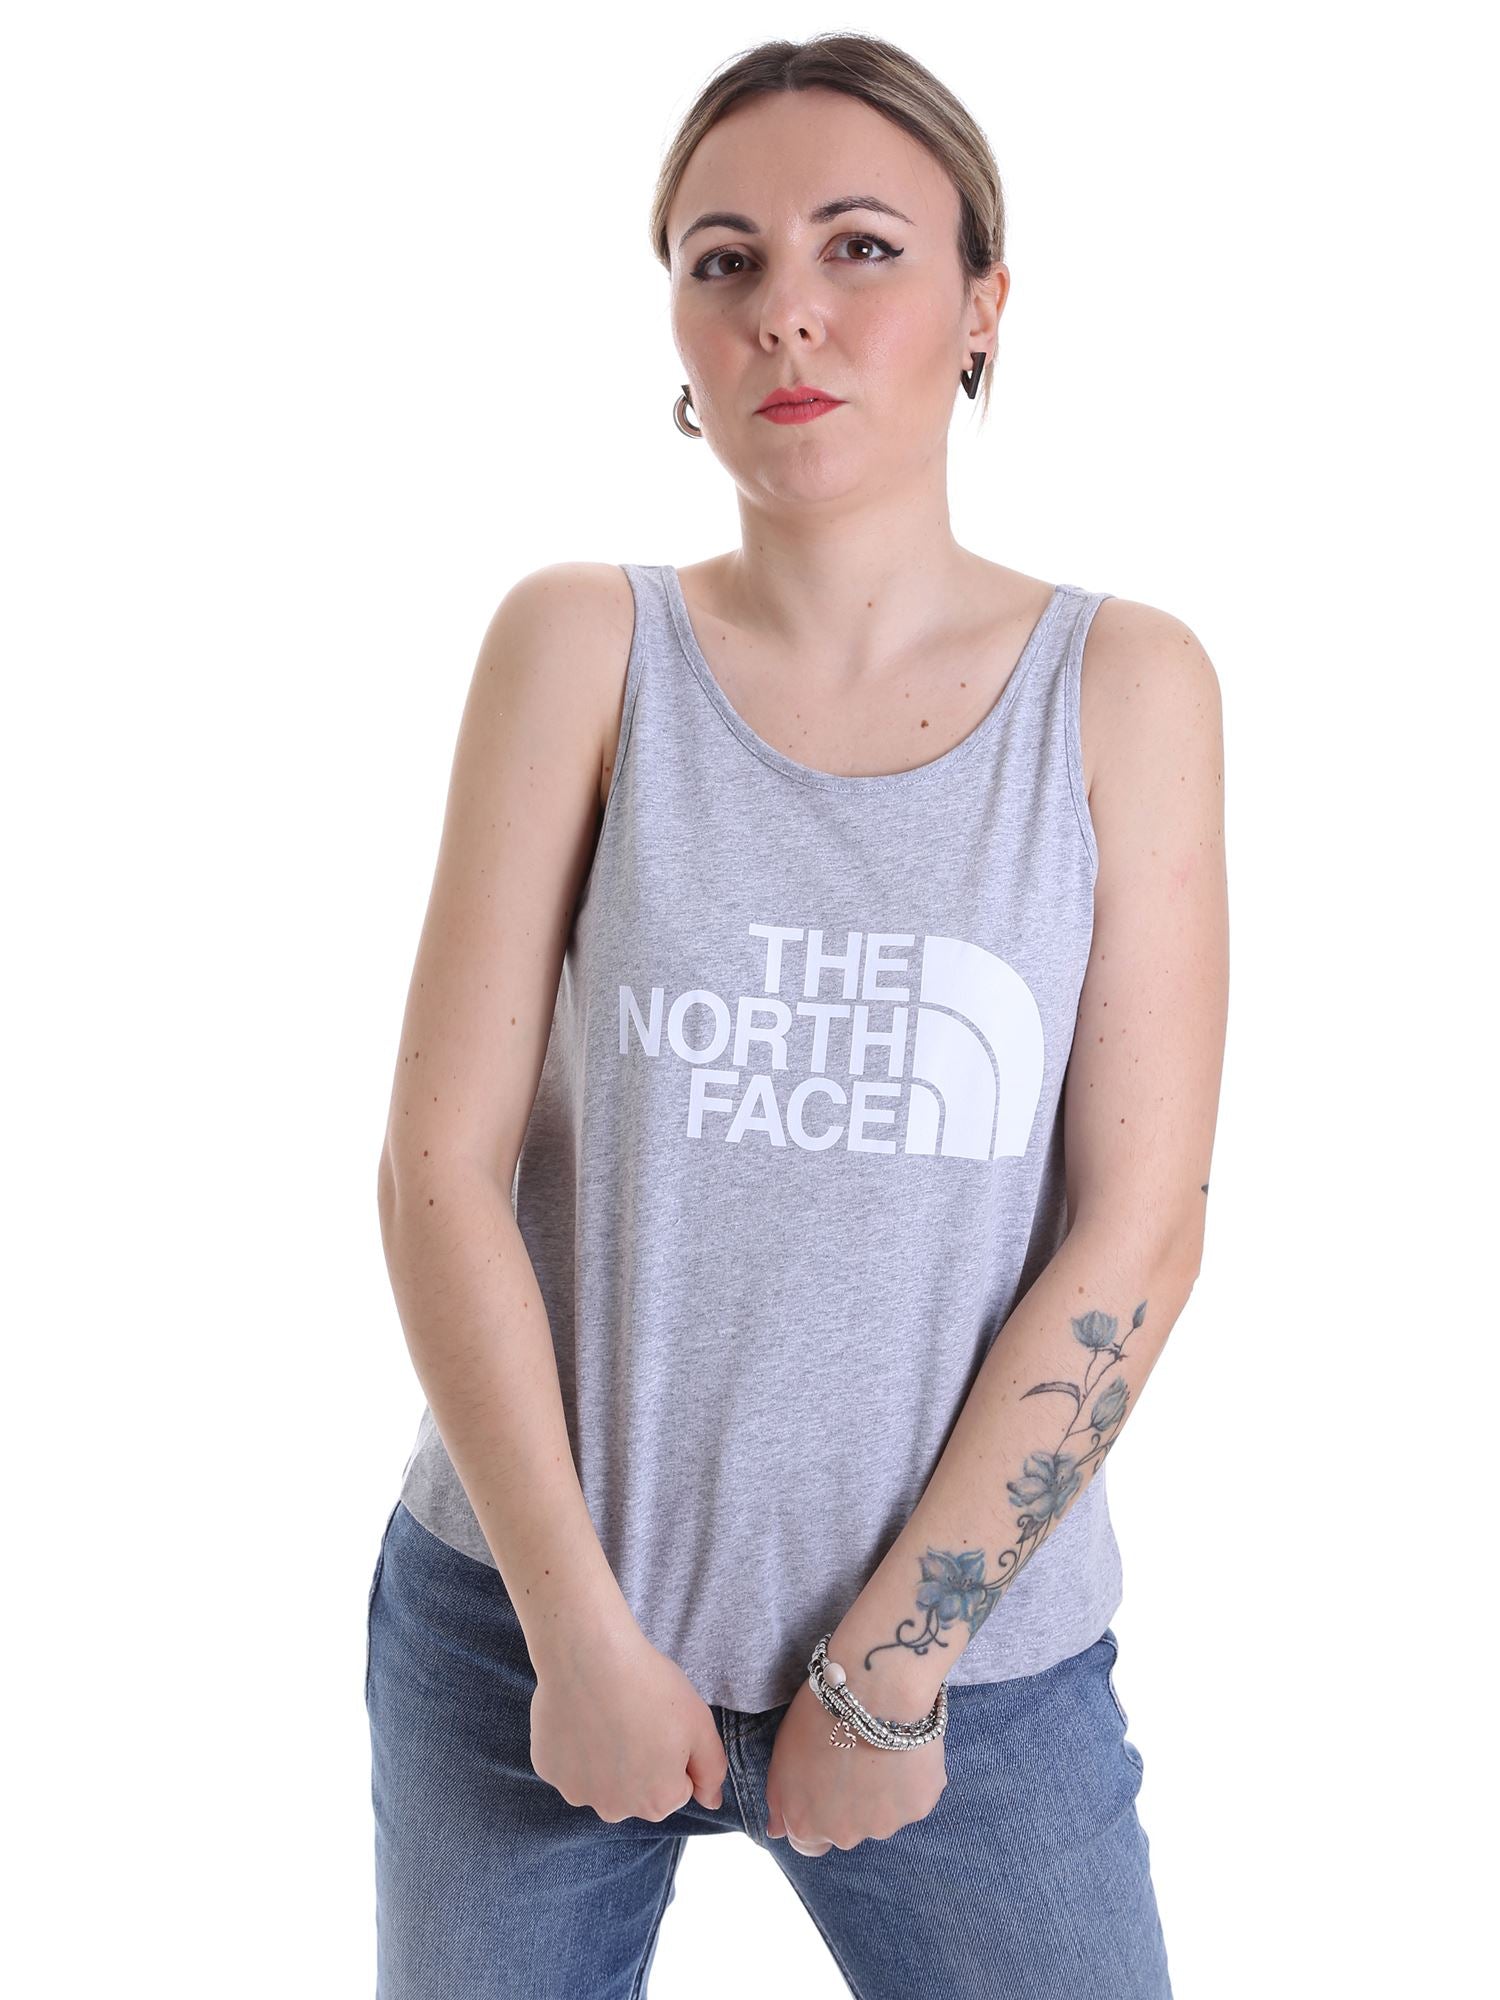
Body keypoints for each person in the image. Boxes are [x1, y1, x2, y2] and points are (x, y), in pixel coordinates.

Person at [365, 30, 1228, 1999]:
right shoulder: (583, 645)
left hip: (966, 1672)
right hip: (529, 1639)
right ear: (678, 322)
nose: (788, 312)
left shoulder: (1126, 686)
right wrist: (576, 1636)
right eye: (725, 260)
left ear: (984, 304)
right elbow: (434, 1171)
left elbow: (1140, 1230)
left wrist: (893, 1668)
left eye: (861, 247)